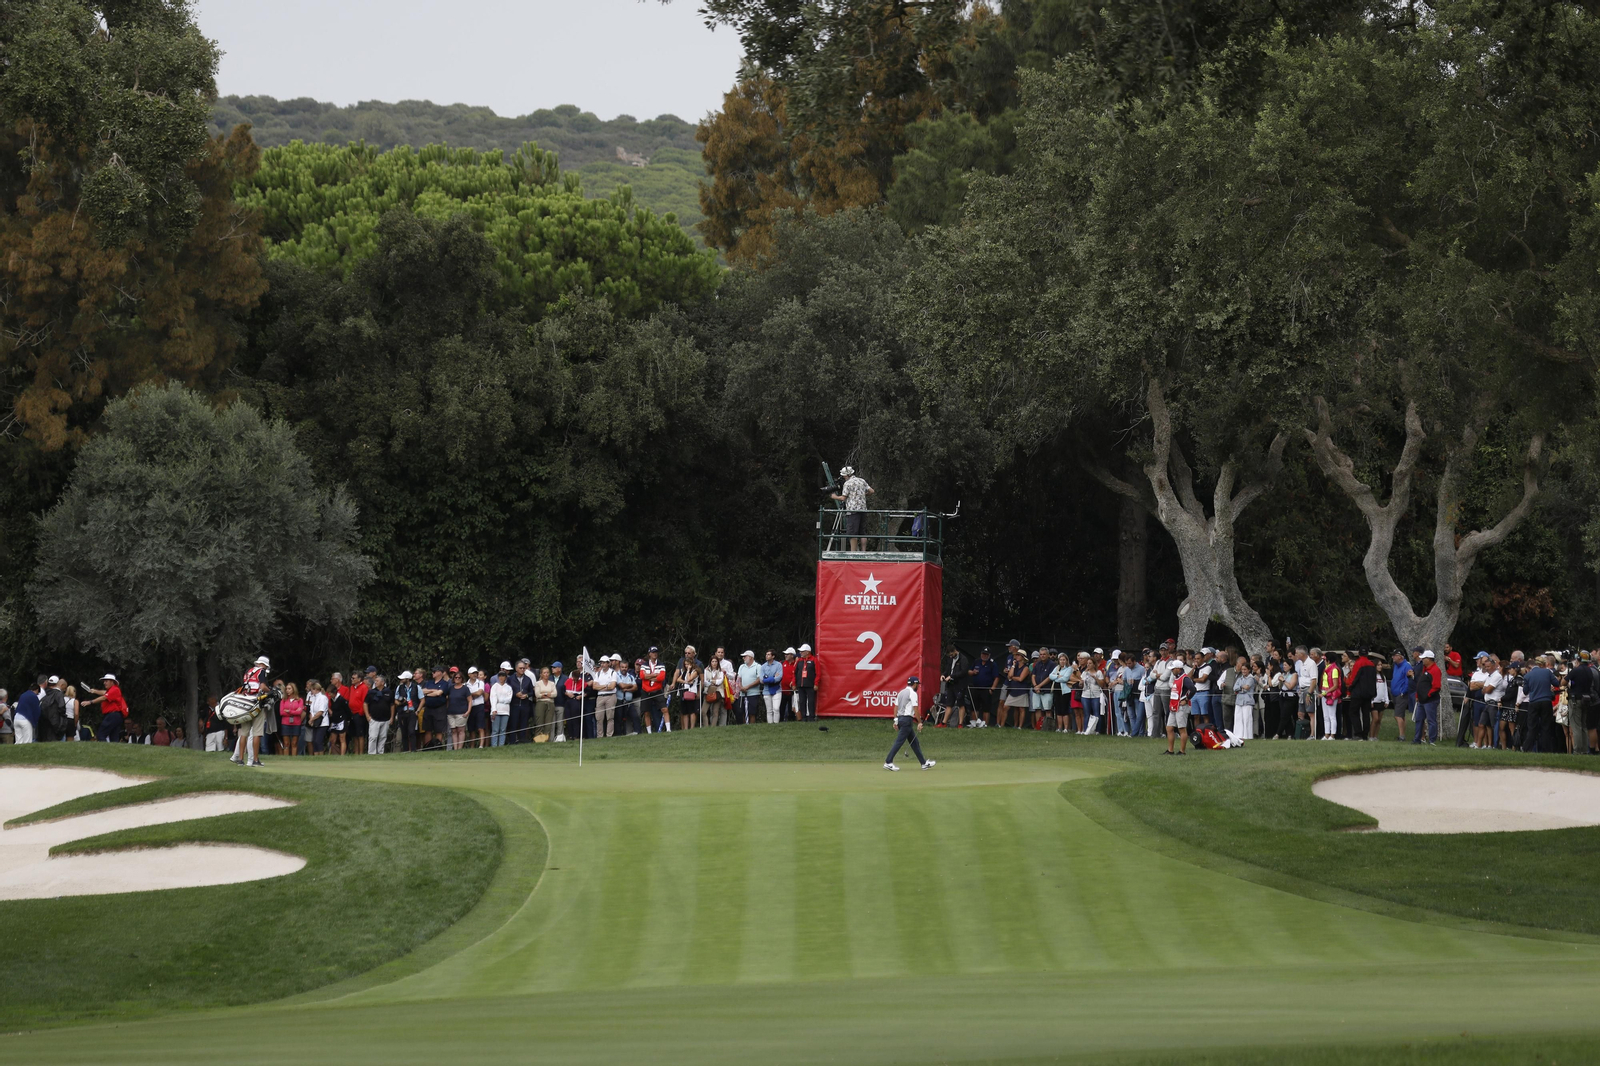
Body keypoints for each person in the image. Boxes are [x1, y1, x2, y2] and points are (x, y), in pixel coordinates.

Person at [884, 676, 934, 770]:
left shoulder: (901, 692)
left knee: (914, 742)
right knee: (899, 742)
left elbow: (896, 707)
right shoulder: (913, 693)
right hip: (907, 720)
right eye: (917, 685)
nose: (918, 686)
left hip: (901, 719)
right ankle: (888, 762)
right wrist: (919, 722)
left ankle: (923, 763)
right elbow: (915, 708)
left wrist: (896, 721)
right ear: (914, 684)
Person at [831, 464, 875, 552]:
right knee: (862, 532)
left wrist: (834, 497)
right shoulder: (861, 481)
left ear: (847, 475)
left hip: (852, 510)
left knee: (852, 533)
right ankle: (863, 551)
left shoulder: (847, 483)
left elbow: (843, 497)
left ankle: (853, 552)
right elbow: (871, 491)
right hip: (863, 509)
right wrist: (863, 495)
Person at [1521, 654, 1557, 753]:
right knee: (1546, 727)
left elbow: (1525, 691)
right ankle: (1546, 749)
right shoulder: (1547, 672)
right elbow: (1556, 683)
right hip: (1546, 701)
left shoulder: (1528, 675)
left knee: (1532, 727)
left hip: (1534, 702)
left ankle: (1527, 748)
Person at [1412, 650, 1443, 744]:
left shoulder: (1435, 670)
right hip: (1422, 700)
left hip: (1430, 700)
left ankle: (1432, 740)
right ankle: (1417, 739)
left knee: (1431, 720)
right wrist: (1418, 695)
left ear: (1429, 659)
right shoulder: (1425, 669)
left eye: (1424, 659)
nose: (1422, 660)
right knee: (1419, 719)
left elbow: (1436, 686)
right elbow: (1420, 685)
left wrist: (1427, 695)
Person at [639, 649, 668, 732]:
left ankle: (668, 729)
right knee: (646, 712)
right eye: (653, 652)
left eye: (656, 652)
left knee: (664, 709)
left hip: (657, 690)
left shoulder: (661, 664)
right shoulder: (644, 665)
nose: (655, 654)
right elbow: (642, 676)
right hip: (646, 691)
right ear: (649, 654)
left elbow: (661, 677)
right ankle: (649, 732)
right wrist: (654, 675)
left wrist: (648, 676)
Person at [590, 655, 620, 738]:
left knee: (610, 717)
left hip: (611, 696)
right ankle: (600, 736)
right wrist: (606, 686)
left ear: (608, 663)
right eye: (601, 663)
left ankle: (609, 735)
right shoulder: (598, 673)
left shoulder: (613, 673)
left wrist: (601, 687)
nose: (602, 664)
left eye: (604, 663)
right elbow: (594, 686)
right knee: (599, 718)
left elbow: (612, 686)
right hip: (600, 697)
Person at [673, 647, 702, 730]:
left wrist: (689, 671)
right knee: (684, 711)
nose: (686, 666)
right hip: (684, 691)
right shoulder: (684, 671)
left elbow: (690, 679)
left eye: (688, 664)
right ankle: (685, 728)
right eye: (685, 664)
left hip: (692, 692)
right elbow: (679, 679)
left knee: (692, 711)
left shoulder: (695, 671)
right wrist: (685, 682)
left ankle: (692, 728)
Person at [421, 666, 449, 751]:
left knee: (438, 730)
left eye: (434, 672)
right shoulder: (429, 682)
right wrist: (433, 691)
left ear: (440, 673)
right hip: (428, 708)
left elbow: (439, 693)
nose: (432, 673)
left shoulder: (444, 683)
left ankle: (437, 748)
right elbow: (423, 691)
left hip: (439, 709)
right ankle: (427, 748)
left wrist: (429, 692)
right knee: (428, 729)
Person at [1387, 649, 1413, 742]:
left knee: (1397, 715)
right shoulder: (1396, 666)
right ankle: (1402, 735)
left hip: (1401, 694)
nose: (1392, 657)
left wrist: (1403, 691)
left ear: (1400, 656)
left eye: (1394, 655)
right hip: (1395, 693)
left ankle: (1402, 736)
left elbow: (1408, 680)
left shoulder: (1406, 666)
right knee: (1401, 715)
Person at [1165, 659, 1189, 755]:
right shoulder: (1177, 678)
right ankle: (1170, 750)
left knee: (1182, 729)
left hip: (1181, 707)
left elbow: (1193, 689)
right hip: (1174, 706)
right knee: (1169, 728)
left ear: (1178, 668)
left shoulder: (1185, 678)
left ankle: (1182, 751)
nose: (1172, 671)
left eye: (1173, 669)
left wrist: (1186, 700)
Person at [970, 648, 999, 727]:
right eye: (983, 654)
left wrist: (992, 688)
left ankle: (985, 724)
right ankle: (974, 723)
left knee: (986, 708)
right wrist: (973, 672)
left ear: (989, 655)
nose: (984, 656)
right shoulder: (976, 661)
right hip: (976, 688)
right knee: (974, 707)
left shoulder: (992, 664)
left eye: (986, 654)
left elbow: (996, 677)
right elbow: (969, 671)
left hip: (986, 688)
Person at [1230, 656, 1256, 741]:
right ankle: (1238, 735)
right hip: (1239, 701)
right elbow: (1234, 688)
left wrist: (1240, 689)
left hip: (1247, 701)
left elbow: (1247, 687)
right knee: (1238, 718)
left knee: (1246, 718)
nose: (1243, 671)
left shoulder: (1251, 678)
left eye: (1245, 669)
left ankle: (1247, 735)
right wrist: (1241, 688)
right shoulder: (1240, 678)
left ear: (1249, 670)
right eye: (1242, 669)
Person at [365, 675, 393, 754]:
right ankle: (371, 753)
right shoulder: (371, 692)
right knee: (373, 737)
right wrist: (367, 716)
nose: (375, 682)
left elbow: (392, 705)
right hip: (374, 718)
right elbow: (365, 703)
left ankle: (380, 752)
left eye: (377, 681)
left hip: (385, 719)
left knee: (383, 737)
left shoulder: (388, 692)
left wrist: (391, 717)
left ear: (382, 682)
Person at [444, 666, 470, 750]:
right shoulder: (450, 688)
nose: (457, 679)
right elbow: (447, 699)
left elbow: (470, 700)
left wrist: (468, 711)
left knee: (461, 730)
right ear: (453, 678)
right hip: (451, 712)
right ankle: (455, 748)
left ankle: (460, 748)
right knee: (453, 731)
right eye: (456, 677)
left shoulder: (465, 689)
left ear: (462, 679)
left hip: (462, 712)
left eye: (459, 677)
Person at [489, 667, 513, 747]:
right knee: (495, 730)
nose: (501, 678)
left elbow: (509, 699)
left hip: (505, 711)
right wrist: (494, 709)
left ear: (506, 678)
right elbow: (493, 698)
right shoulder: (494, 686)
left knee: (503, 730)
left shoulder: (509, 687)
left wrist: (500, 699)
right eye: (500, 676)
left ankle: (501, 745)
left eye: (503, 676)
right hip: (496, 710)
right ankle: (494, 746)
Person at [616, 656, 640, 734]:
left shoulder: (630, 676)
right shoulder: (616, 675)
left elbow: (635, 687)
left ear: (628, 667)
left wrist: (627, 689)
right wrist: (630, 685)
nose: (624, 669)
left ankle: (637, 732)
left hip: (629, 701)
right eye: (622, 667)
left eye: (625, 667)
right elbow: (621, 686)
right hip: (619, 701)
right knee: (619, 719)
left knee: (635, 717)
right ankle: (619, 735)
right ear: (620, 667)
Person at [276, 685, 303, 756]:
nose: (287, 690)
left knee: (294, 743)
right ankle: (286, 759)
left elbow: (299, 712)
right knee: (286, 743)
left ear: (293, 689)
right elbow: (281, 712)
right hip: (285, 723)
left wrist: (289, 711)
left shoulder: (299, 700)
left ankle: (294, 759)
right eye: (286, 689)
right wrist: (294, 711)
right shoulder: (283, 700)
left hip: (296, 723)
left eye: (289, 689)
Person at [738, 650, 763, 725]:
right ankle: (745, 727)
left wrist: (748, 687)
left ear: (750, 657)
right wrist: (741, 687)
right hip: (742, 693)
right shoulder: (742, 666)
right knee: (742, 712)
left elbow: (759, 679)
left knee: (752, 712)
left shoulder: (758, 666)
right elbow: (739, 679)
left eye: (745, 656)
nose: (743, 658)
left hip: (753, 694)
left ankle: (751, 727)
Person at [466, 667, 489, 749]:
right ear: (469, 674)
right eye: (473, 673)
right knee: (471, 728)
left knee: (480, 727)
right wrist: (471, 695)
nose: (475, 674)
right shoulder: (466, 684)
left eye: (476, 673)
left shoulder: (480, 682)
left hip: (479, 706)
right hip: (470, 707)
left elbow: (479, 693)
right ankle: (472, 746)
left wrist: (469, 695)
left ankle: (481, 745)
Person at [533, 666, 558, 742]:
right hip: (540, 704)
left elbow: (555, 694)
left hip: (550, 704)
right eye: (544, 673)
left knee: (548, 724)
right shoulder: (538, 683)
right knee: (539, 723)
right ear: (541, 674)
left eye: (547, 672)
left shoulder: (552, 683)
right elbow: (537, 694)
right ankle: (538, 740)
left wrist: (543, 693)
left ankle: (546, 740)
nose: (546, 674)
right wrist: (548, 694)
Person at [702, 655, 727, 728]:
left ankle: (713, 727)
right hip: (708, 692)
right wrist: (714, 681)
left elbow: (720, 682)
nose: (714, 663)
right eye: (713, 661)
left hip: (718, 693)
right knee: (703, 711)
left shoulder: (721, 671)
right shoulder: (706, 670)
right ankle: (706, 727)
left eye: (716, 661)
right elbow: (705, 682)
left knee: (715, 712)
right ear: (710, 662)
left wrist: (711, 681)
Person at [794, 644, 818, 721]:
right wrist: (794, 683)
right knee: (802, 701)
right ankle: (803, 717)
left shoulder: (814, 660)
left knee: (811, 701)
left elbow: (818, 673)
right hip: (801, 685)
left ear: (807, 652)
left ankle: (811, 717)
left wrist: (816, 683)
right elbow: (795, 673)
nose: (800, 653)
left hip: (810, 684)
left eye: (802, 651)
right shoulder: (799, 661)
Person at [760, 650, 784, 724]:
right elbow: (761, 680)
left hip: (777, 689)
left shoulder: (778, 665)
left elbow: (779, 677)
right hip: (766, 690)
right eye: (766, 654)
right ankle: (770, 725)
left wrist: (768, 679)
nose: (766, 656)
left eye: (769, 654)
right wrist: (773, 677)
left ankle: (776, 723)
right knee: (769, 710)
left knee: (776, 708)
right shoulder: (763, 666)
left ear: (773, 656)